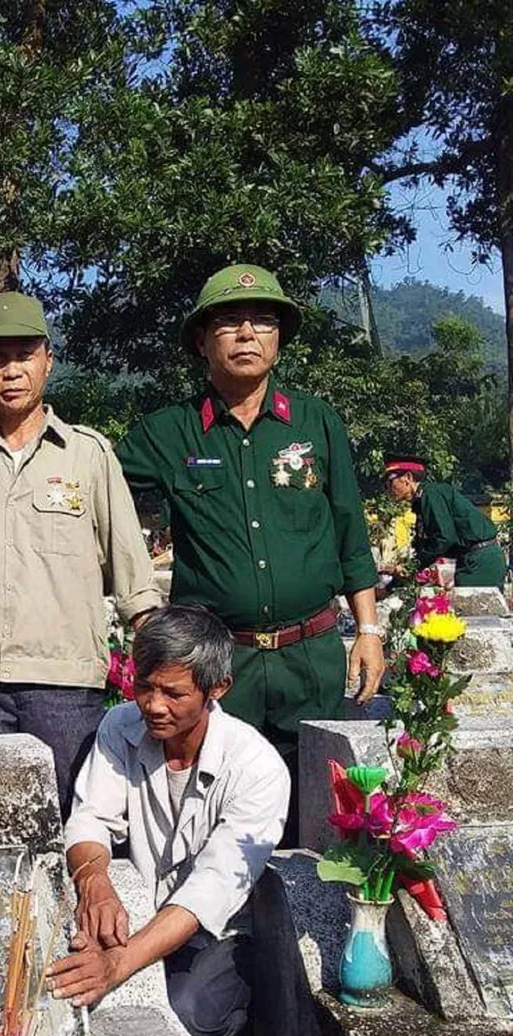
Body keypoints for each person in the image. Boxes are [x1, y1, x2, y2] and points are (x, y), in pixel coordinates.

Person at [115, 264, 384, 839]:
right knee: (217, 803)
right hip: (218, 661)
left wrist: (368, 630)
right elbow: (87, 475)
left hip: (309, 653)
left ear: (279, 337)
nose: (247, 334)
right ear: (201, 341)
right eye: (229, 322)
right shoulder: (169, 433)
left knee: (321, 807)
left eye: (263, 321)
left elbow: (349, 530)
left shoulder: (315, 423)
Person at [0, 292, 162, 817]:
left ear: (48, 360)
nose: (11, 371)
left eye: (24, 355)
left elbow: (132, 574)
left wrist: (155, 666)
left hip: (64, 682)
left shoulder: (89, 454)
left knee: (68, 824)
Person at [48, 604, 289, 1036]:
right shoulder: (120, 725)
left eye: (173, 694)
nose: (154, 706)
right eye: (144, 687)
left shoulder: (257, 768)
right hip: (140, 901)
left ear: (217, 688)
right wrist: (95, 881)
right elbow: (91, 817)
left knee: (189, 1014)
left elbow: (212, 889)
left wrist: (117, 965)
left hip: (212, 928)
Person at [383, 452, 507, 589]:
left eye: (390, 480)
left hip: (480, 561)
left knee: (470, 609)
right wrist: (395, 581)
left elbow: (443, 539)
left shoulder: (431, 494)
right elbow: (428, 545)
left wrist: (411, 567)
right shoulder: (422, 500)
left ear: (408, 477)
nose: (388, 488)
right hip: (471, 559)